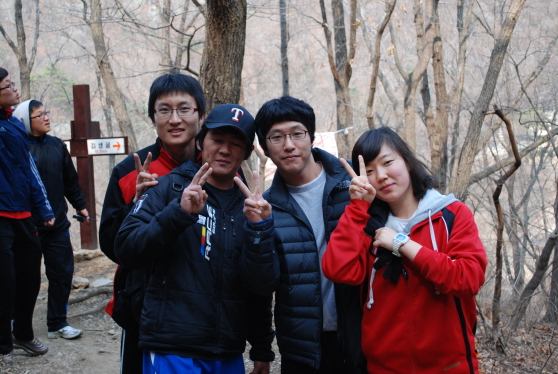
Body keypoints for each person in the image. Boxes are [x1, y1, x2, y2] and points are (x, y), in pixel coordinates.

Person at [115, 104, 278, 374]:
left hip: (227, 350)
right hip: (172, 347)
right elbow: (126, 248)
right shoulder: (168, 187)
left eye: (236, 144)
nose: (225, 150)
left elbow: (259, 288)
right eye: (217, 140)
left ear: (248, 152)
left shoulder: (250, 208)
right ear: (201, 141)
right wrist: (178, 213)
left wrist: (262, 349)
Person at [322, 127, 488, 374]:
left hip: (449, 366)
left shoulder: (451, 214)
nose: (381, 176)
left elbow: (468, 278)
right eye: (369, 171)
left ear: (407, 161)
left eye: (387, 162)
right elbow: (338, 270)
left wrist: (402, 244)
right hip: (383, 367)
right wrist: (357, 207)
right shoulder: (367, 226)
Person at [99, 72, 206, 374]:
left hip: (204, 304)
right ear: (153, 117)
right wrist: (136, 204)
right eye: (164, 110)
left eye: (184, 109)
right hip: (143, 305)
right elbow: (110, 244)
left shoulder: (218, 167)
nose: (175, 119)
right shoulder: (130, 171)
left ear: (201, 115)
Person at [253, 96, 366, 374]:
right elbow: (260, 287)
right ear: (264, 147)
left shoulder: (353, 186)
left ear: (312, 137)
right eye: (276, 137)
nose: (289, 145)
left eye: (297, 133)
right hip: (302, 349)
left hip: (362, 338)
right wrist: (262, 350)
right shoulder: (266, 208)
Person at [0, 36, 55, 363]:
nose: (15, 89)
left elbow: (27, 172)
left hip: (23, 216)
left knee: (30, 280)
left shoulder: (16, 128)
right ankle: (3, 345)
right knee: (3, 285)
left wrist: (42, 208)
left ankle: (24, 334)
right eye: (8, 85)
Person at [14, 99, 88, 340]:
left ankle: (57, 323)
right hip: (27, 226)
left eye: (46, 112)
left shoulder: (57, 145)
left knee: (62, 273)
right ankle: (19, 326)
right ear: (26, 121)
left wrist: (80, 205)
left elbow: (70, 180)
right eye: (39, 115)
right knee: (27, 278)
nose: (46, 117)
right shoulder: (17, 147)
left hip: (57, 224)